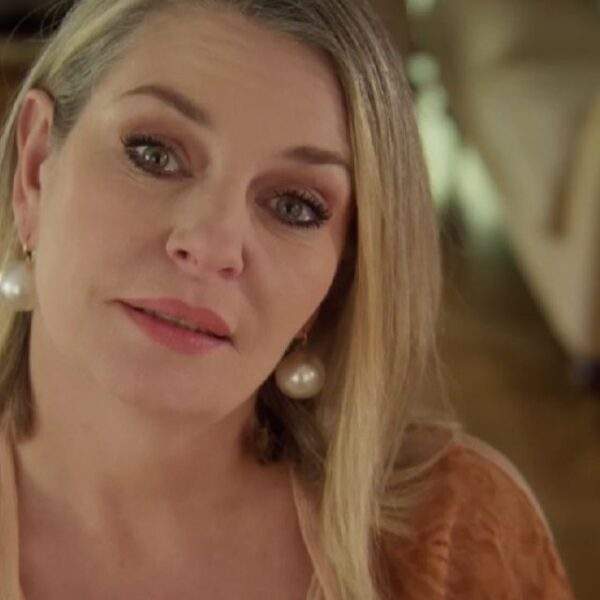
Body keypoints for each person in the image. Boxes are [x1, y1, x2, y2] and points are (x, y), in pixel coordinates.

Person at [0, 0, 576, 598]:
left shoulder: (461, 535)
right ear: (36, 169)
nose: (213, 245)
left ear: (334, 282)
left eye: (294, 206)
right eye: (154, 154)